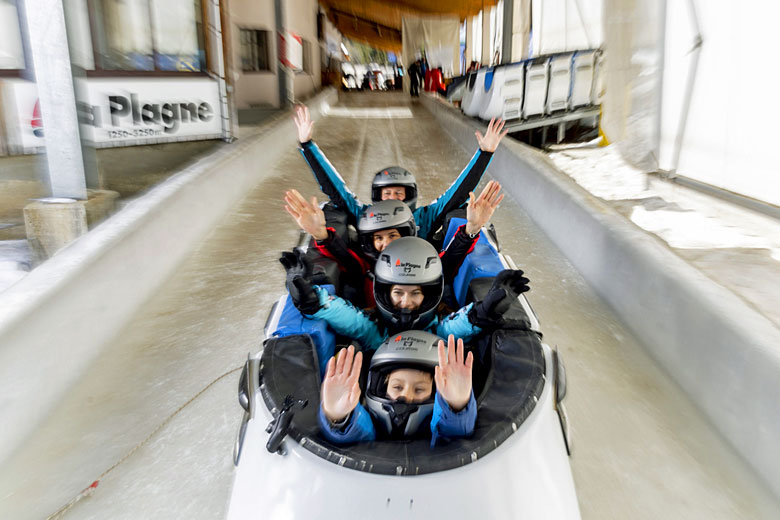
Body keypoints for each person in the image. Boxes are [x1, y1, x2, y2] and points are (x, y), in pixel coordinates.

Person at [292, 104, 508, 241]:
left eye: (398, 193)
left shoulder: (425, 216)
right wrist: (307, 145)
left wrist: (484, 154)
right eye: (387, 194)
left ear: (410, 196)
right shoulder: (365, 215)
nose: (393, 198)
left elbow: (458, 192)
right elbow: (336, 190)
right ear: (378, 198)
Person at [281, 236, 530, 352]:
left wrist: (485, 311)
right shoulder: (373, 331)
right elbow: (346, 315)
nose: (406, 302)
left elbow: (460, 325)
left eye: (416, 294)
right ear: (385, 292)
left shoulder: (438, 331)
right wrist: (311, 299)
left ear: (430, 295)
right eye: (398, 292)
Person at [283, 182, 505, 306]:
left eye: (392, 236)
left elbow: (449, 259)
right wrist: (320, 233)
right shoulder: (365, 267)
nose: (385, 243)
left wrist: (472, 228)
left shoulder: (425, 261)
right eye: (378, 238)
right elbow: (344, 256)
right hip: (377, 324)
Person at [318, 332, 476, 446]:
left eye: (419, 389)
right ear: (381, 386)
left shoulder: (442, 427)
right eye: (397, 387)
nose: (405, 396)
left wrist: (457, 405)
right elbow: (360, 432)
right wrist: (337, 416)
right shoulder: (369, 422)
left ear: (437, 391)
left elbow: (449, 434)